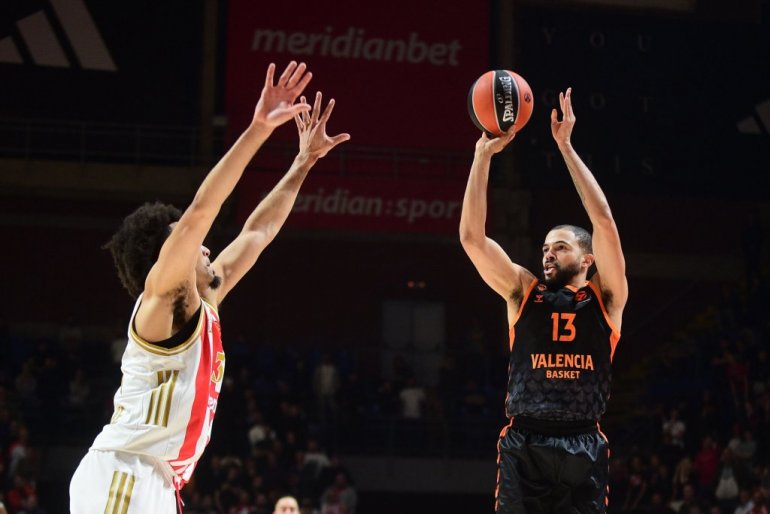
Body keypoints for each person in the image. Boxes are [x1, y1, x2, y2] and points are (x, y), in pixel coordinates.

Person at [69, 61, 350, 514]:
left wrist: (303, 163)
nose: (204, 247)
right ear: (167, 254)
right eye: (189, 241)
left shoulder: (206, 298)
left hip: (161, 482)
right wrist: (259, 129)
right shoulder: (162, 301)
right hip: (125, 470)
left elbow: (258, 232)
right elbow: (201, 211)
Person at [460, 88, 628, 513]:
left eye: (561, 247)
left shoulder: (606, 298)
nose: (548, 254)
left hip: (583, 441)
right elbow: (472, 239)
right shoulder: (523, 291)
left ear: (587, 259)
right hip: (526, 442)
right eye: (545, 248)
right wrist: (482, 157)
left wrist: (566, 148)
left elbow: (603, 220)